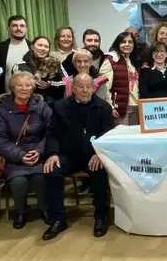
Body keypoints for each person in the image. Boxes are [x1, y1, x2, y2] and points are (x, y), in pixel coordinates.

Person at [44, 73, 115, 238]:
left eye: (88, 87)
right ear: (73, 88)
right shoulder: (60, 106)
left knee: (99, 172)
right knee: (51, 171)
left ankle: (101, 216)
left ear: (93, 88)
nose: (85, 90)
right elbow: (52, 134)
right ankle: (58, 218)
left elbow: (108, 135)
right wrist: (53, 153)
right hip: (69, 155)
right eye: (80, 87)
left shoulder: (103, 107)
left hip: (93, 155)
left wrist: (100, 154)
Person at [0, 71, 53, 230]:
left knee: (41, 177)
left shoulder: (41, 106)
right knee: (19, 181)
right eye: (19, 85)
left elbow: (52, 131)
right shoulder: (1, 110)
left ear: (33, 88)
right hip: (14, 156)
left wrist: (39, 151)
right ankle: (20, 212)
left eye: (27, 85)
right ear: (12, 88)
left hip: (39, 154)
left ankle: (44, 208)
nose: (24, 88)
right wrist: (19, 155)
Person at [0, 15, 30, 103]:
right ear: (8, 28)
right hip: (4, 100)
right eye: (14, 25)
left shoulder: (33, 48)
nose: (18, 28)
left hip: (29, 100)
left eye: (22, 26)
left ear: (26, 28)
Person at [11, 35, 64, 104]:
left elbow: (65, 83)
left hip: (51, 106)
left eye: (46, 46)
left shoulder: (56, 63)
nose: (43, 48)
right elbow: (15, 87)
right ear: (32, 47)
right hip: (27, 106)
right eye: (40, 45)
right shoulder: (19, 66)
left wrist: (50, 84)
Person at [104, 32, 140, 126]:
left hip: (136, 107)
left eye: (130, 42)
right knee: (123, 138)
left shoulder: (134, 61)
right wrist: (110, 107)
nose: (127, 44)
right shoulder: (111, 60)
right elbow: (104, 87)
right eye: (123, 42)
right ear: (118, 44)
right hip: (120, 109)